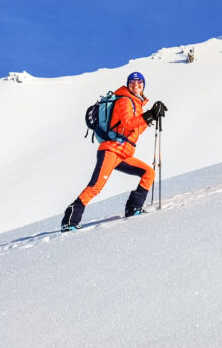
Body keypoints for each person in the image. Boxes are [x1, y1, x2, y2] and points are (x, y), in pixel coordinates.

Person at [61, 72, 167, 231]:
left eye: (139, 82)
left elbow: (135, 130)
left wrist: (151, 116)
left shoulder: (136, 104)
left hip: (123, 153)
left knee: (148, 173)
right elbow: (128, 123)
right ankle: (69, 220)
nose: (136, 84)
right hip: (111, 150)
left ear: (143, 85)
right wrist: (148, 115)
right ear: (128, 84)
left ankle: (133, 208)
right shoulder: (124, 100)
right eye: (132, 82)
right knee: (96, 186)